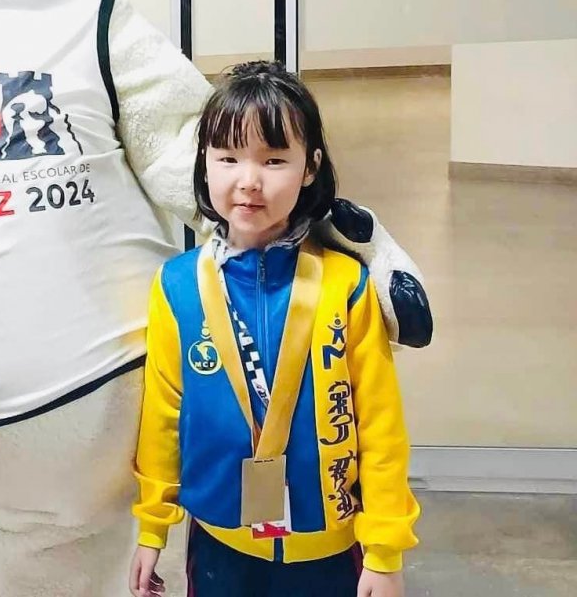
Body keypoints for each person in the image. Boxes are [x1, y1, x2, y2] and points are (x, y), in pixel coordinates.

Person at [129, 61, 420, 597]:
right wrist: (152, 526)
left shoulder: (345, 286)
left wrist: (384, 552)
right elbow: (164, 414)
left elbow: (380, 425)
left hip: (329, 547)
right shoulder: (178, 286)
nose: (249, 180)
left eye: (274, 159)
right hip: (220, 541)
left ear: (310, 167)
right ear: (204, 163)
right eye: (228, 157)